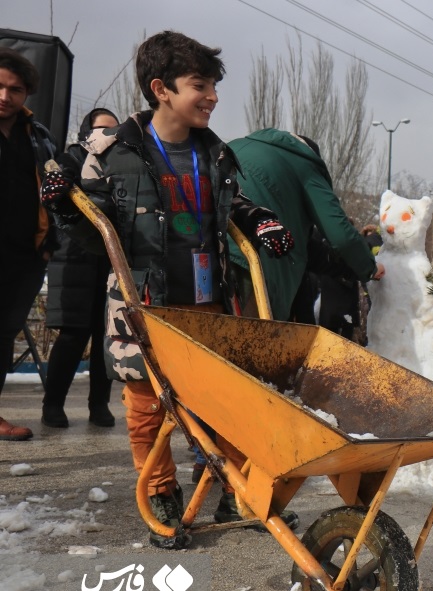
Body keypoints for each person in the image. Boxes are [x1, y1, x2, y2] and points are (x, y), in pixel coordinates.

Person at [40, 31, 297, 549]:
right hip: (144, 302)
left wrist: (261, 220)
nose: (212, 96)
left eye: (213, 86)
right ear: (161, 88)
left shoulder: (215, 153)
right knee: (146, 403)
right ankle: (160, 491)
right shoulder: (115, 150)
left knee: (222, 400)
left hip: (209, 298)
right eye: (199, 85)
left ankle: (229, 484)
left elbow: (233, 202)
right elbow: (86, 218)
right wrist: (62, 200)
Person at [227, 128, 383, 321]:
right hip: (248, 262)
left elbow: (310, 250)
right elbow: (341, 235)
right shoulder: (304, 164)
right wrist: (370, 267)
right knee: (246, 341)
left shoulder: (236, 145)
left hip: (201, 251)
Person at [40, 108, 119, 429]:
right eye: (100, 129)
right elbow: (59, 177)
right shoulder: (73, 156)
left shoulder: (123, 161)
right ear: (87, 131)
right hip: (75, 256)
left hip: (110, 256)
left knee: (108, 335)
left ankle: (99, 405)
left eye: (113, 130)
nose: (106, 135)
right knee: (72, 334)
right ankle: (52, 404)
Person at [0, 48, 58, 441]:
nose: (5, 95)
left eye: (15, 89)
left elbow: (55, 194)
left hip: (23, 254)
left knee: (3, 335)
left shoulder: (38, 136)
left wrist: (50, 242)